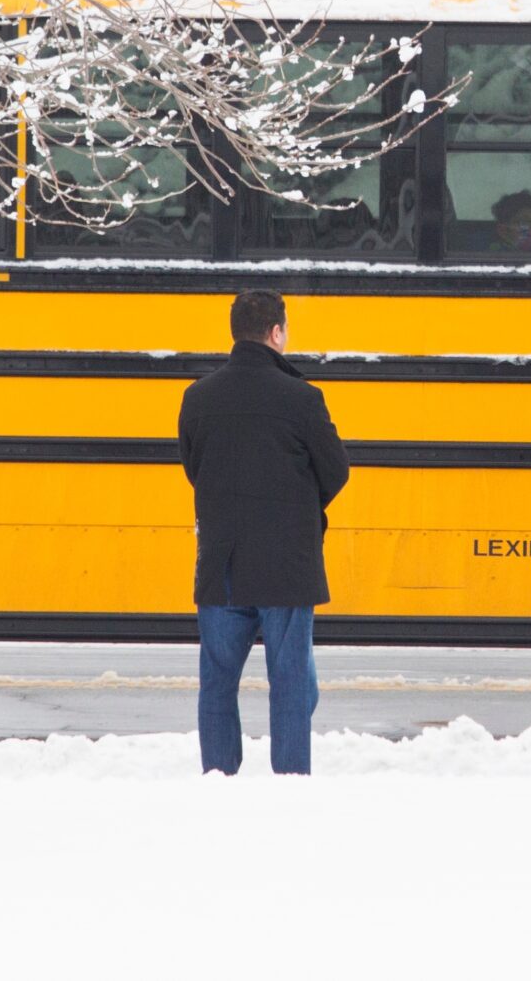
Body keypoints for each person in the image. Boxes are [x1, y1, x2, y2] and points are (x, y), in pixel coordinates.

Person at [177, 289, 352, 775]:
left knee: (217, 682)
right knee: (292, 682)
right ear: (277, 333)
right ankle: (291, 781)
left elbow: (194, 467)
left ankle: (219, 777)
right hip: (286, 566)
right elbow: (336, 470)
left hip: (222, 562)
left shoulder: (198, 397)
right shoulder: (302, 397)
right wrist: (295, 509)